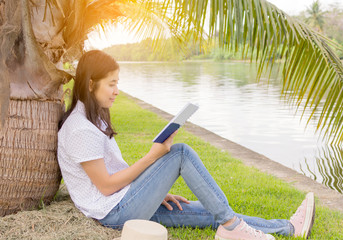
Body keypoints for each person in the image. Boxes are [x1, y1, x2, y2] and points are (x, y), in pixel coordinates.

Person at [57, 50, 316, 240]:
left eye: (118, 84)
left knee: (207, 211)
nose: (116, 91)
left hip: (126, 201)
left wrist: (151, 191)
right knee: (179, 153)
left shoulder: (93, 120)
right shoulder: (80, 128)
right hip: (113, 213)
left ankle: (289, 228)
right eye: (111, 84)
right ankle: (233, 228)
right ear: (92, 84)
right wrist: (151, 158)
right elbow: (105, 186)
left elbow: (113, 179)